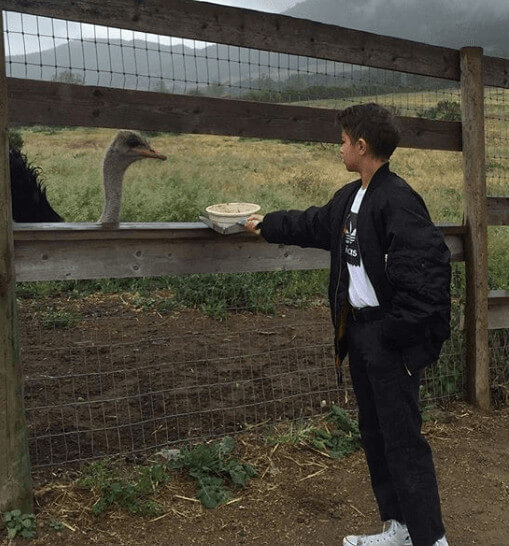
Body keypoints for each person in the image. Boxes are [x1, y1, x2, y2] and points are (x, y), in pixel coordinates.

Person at [245, 103, 451, 546]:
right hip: (358, 334)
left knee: (403, 440)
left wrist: (399, 336)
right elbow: (313, 223)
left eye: (343, 141)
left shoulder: (398, 199)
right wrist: (267, 225)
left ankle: (431, 540)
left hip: (388, 338)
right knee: (375, 434)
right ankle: (398, 529)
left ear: (361, 146)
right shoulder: (351, 197)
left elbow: (428, 274)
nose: (338, 147)